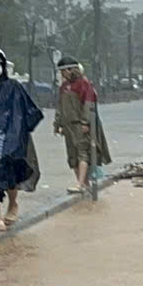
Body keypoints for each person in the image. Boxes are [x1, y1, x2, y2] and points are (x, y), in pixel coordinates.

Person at [0, 47, 45, 231]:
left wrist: (20, 132)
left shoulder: (14, 87)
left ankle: (12, 203)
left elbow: (30, 111)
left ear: (3, 66)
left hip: (11, 140)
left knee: (10, 175)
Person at [52, 55, 111, 197]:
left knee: (82, 153)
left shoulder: (83, 84)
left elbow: (89, 105)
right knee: (72, 155)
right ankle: (83, 183)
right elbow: (60, 107)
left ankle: (80, 183)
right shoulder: (64, 87)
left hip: (80, 125)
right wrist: (57, 124)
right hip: (67, 126)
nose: (63, 74)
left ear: (71, 69)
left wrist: (86, 122)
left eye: (64, 71)